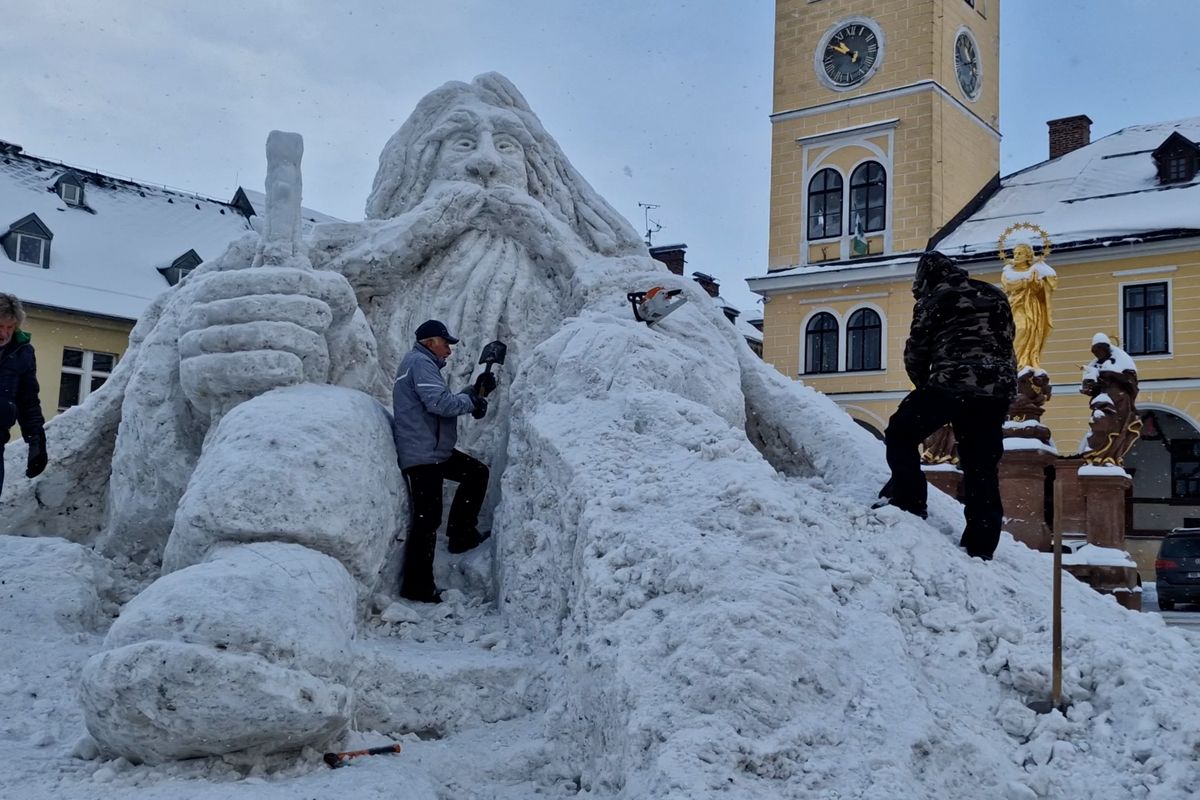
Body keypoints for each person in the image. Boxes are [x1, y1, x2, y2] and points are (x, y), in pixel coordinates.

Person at [877, 251, 1017, 560]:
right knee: (980, 465)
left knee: (901, 432)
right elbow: (1007, 339)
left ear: (924, 279)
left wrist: (924, 388)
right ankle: (981, 545)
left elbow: (916, 351)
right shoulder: (994, 294)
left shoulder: (934, 298)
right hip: (997, 391)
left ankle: (910, 500)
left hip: (952, 383)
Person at [392, 319, 496, 602]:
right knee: (427, 520)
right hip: (423, 454)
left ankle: (462, 535)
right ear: (430, 343)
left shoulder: (421, 364)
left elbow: (442, 400)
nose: (449, 351)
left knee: (476, 473)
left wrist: (473, 392)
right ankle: (417, 586)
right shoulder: (420, 363)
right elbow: (439, 404)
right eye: (445, 343)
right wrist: (472, 402)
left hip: (434, 451)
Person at [0, 293, 47, 496]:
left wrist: (36, 440)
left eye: (10, 327)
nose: (4, 333)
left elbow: (28, 401)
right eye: (0, 326)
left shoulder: (23, 352)